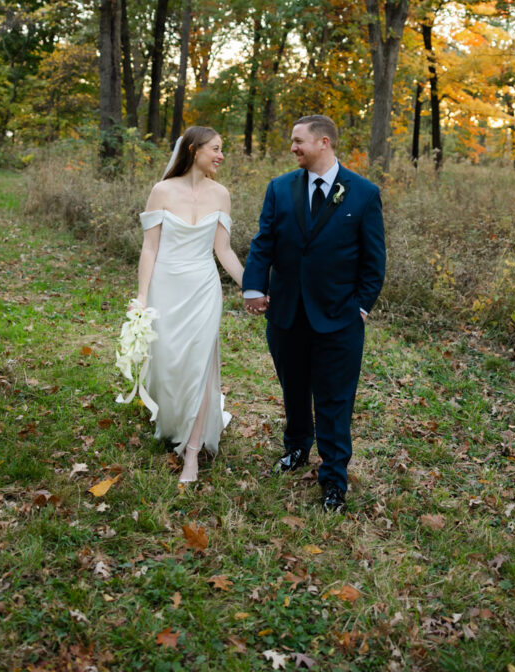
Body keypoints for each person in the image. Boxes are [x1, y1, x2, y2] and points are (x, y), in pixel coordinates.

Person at [242, 115, 385, 512]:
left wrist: (360, 306)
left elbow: (374, 263)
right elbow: (263, 242)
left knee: (335, 400)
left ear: (324, 142)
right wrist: (254, 287)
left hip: (339, 319)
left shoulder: (363, 193)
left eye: (298, 141)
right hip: (286, 315)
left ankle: (334, 479)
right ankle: (297, 448)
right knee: (294, 390)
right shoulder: (279, 188)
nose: (293, 148)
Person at [137, 126, 243, 483]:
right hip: (166, 287)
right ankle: (172, 418)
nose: (221, 155)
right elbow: (150, 248)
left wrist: (253, 287)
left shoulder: (222, 194)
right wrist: (141, 297)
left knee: (200, 364)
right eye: (216, 148)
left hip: (203, 289)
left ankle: (192, 453)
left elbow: (223, 250)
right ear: (194, 149)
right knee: (169, 363)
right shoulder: (162, 191)